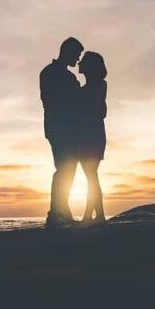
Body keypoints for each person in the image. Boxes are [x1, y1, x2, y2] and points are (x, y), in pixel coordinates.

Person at [39, 37, 84, 228]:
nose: (78, 59)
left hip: (69, 128)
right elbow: (51, 100)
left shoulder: (68, 76)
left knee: (69, 169)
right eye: (77, 54)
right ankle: (55, 213)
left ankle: (63, 211)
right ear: (67, 51)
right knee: (63, 168)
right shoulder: (49, 73)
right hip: (58, 128)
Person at [75, 52, 108, 226]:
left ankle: (92, 215)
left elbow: (99, 111)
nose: (79, 63)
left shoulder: (100, 85)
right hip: (84, 135)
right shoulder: (81, 89)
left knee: (91, 175)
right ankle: (98, 215)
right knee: (91, 176)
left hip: (92, 135)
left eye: (83, 61)